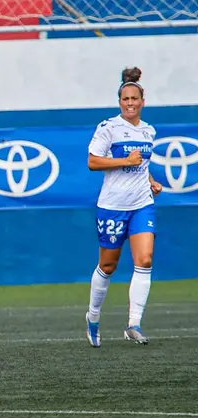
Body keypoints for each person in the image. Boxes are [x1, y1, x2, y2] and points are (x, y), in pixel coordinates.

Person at [86, 66, 163, 347]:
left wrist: (152, 180)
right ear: (120, 102)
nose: (130, 103)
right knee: (108, 265)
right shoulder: (108, 128)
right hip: (112, 205)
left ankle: (133, 323)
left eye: (134, 99)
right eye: (125, 99)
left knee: (144, 260)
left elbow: (141, 165)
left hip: (142, 203)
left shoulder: (148, 131)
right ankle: (93, 316)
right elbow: (93, 161)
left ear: (143, 101)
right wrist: (123, 161)